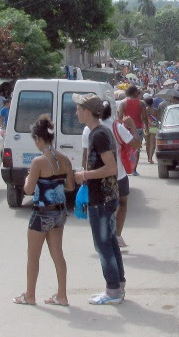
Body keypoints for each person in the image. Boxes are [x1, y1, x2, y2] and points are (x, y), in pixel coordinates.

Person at [13, 115, 74, 306]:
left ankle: (30, 295)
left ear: (38, 139)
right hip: (60, 213)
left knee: (33, 256)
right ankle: (62, 295)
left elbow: (28, 190)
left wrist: (27, 178)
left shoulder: (38, 162)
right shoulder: (64, 159)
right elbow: (70, 187)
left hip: (41, 213)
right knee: (58, 254)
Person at [73, 93, 125, 305]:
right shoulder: (99, 132)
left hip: (102, 198)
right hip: (107, 196)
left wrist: (84, 175)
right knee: (110, 243)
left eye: (78, 109)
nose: (76, 112)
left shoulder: (98, 134)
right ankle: (118, 286)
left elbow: (110, 167)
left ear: (87, 112)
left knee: (103, 246)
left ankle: (112, 291)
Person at [81, 101, 141, 248]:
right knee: (122, 204)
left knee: (101, 208)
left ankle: (103, 237)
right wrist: (132, 124)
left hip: (97, 178)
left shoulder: (88, 129)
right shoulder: (117, 127)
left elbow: (85, 156)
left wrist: (85, 175)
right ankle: (116, 235)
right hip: (118, 174)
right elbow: (136, 144)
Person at [118, 85, 149, 176]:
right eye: (137, 92)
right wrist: (146, 127)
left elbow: (120, 117)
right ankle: (134, 169)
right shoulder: (141, 103)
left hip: (126, 129)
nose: (138, 94)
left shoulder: (123, 103)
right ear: (134, 92)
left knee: (125, 148)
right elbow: (144, 117)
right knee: (137, 149)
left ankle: (125, 168)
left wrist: (119, 128)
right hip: (138, 128)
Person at [144, 97, 159, 164]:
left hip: (146, 126)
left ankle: (148, 157)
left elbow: (142, 118)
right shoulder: (155, 110)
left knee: (147, 143)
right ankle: (150, 157)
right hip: (154, 127)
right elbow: (158, 118)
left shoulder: (144, 110)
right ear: (152, 102)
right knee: (153, 144)